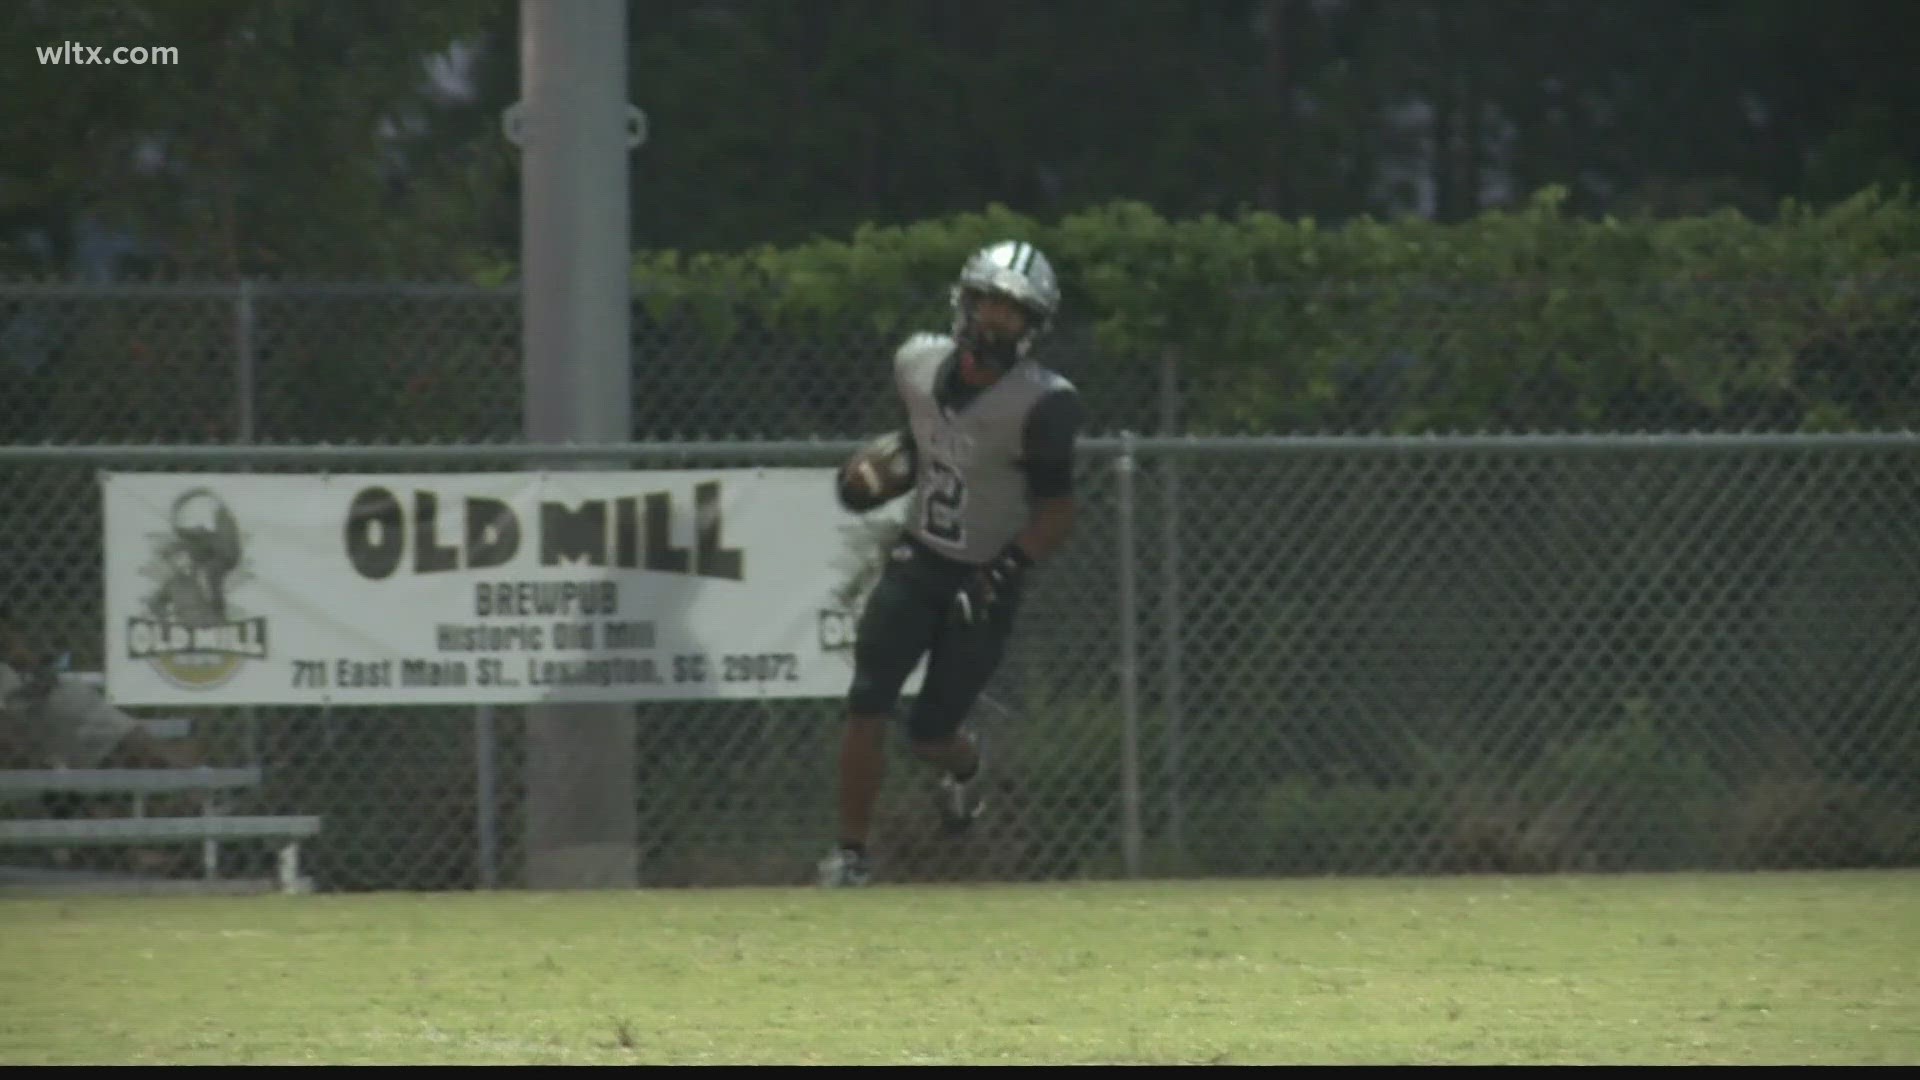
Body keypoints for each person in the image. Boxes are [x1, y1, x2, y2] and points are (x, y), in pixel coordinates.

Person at [819, 240, 1085, 887]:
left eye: (1014, 312)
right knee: (867, 702)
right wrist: (877, 471)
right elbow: (926, 441)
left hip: (985, 579)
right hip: (917, 561)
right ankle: (851, 857)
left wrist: (1002, 571)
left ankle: (964, 767)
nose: (995, 320)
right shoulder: (917, 361)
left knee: (930, 734)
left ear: (1033, 327)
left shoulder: (1044, 402)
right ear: (964, 300)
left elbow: (1057, 510)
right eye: (989, 302)